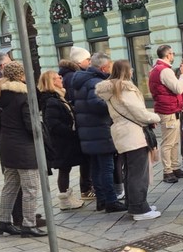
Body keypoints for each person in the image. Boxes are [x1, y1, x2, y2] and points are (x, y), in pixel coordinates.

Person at [97, 60, 162, 221]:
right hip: (133, 134)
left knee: (130, 171)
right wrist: (155, 117)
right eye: (131, 69)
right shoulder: (124, 88)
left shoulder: (111, 89)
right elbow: (138, 112)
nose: (133, 71)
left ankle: (134, 204)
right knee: (138, 172)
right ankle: (140, 208)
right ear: (126, 71)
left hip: (122, 133)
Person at [0, 62, 46, 237]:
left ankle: (3, 222)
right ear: (22, 75)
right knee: (30, 187)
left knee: (10, 186)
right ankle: (28, 224)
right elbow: (31, 125)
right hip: (24, 148)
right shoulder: (24, 95)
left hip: (7, 144)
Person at [71, 52, 126, 213]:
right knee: (107, 168)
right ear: (103, 67)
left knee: (96, 167)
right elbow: (97, 105)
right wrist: (113, 100)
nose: (110, 69)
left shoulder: (83, 81)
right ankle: (110, 200)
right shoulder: (95, 82)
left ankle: (101, 200)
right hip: (99, 130)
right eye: (109, 66)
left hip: (89, 131)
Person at [38, 70, 85, 211]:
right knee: (64, 169)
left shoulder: (58, 97)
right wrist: (71, 132)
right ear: (51, 82)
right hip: (61, 142)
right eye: (57, 78)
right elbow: (53, 124)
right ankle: (64, 199)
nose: (61, 79)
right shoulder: (52, 100)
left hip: (65, 140)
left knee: (66, 168)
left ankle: (67, 196)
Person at [148, 45, 183, 183]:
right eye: (172, 53)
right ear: (168, 55)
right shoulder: (165, 71)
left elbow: (167, 92)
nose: (174, 56)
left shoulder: (157, 69)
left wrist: (179, 105)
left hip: (170, 108)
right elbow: (178, 88)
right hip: (168, 111)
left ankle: (174, 167)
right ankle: (168, 171)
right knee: (168, 143)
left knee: (174, 142)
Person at [58, 47, 93, 198]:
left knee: (66, 165)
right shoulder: (73, 77)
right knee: (82, 159)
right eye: (87, 59)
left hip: (70, 125)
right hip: (74, 125)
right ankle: (85, 189)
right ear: (80, 61)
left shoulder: (65, 74)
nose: (89, 62)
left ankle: (76, 192)